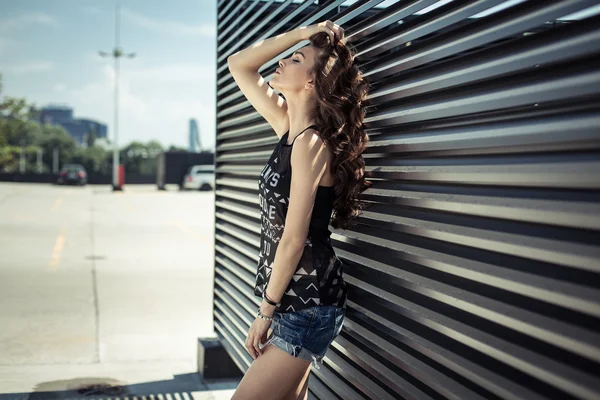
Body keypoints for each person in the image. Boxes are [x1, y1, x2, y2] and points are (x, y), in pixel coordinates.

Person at [228, 20, 372, 400]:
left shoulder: (310, 144)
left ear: (310, 82)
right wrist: (300, 35)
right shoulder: (288, 129)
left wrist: (265, 312)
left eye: (294, 60)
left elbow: (294, 239)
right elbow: (239, 64)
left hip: (308, 305)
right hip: (298, 303)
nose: (281, 63)